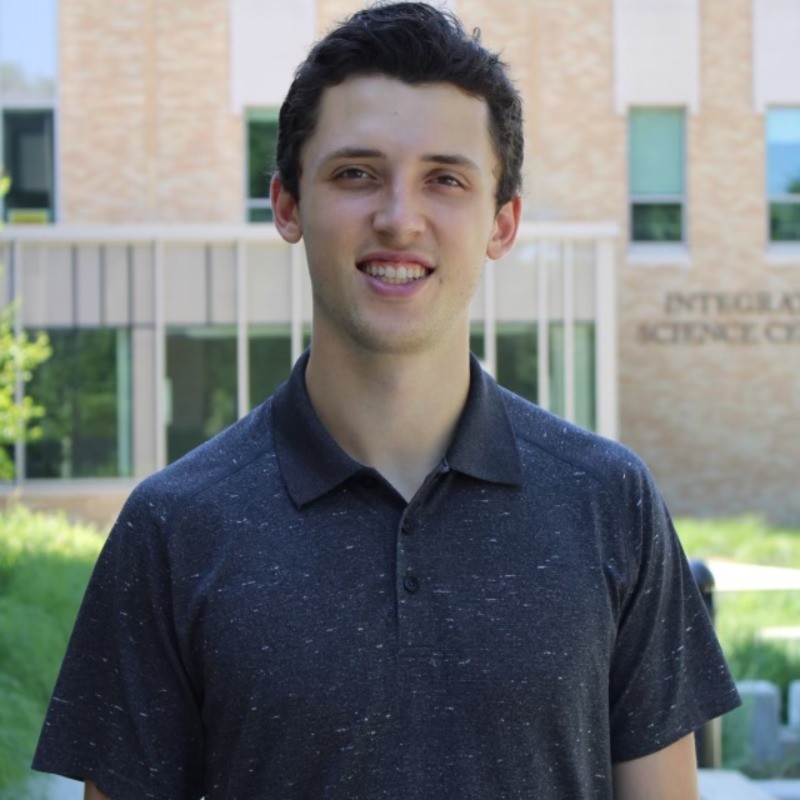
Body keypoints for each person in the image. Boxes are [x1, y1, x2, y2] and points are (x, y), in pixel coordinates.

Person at [33, 3, 740, 798]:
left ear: (501, 222)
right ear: (288, 205)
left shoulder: (611, 502)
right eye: (355, 174)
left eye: (445, 179)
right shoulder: (173, 528)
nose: (399, 219)